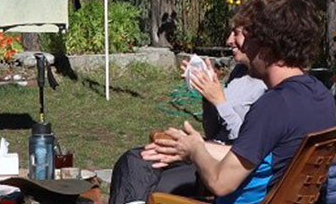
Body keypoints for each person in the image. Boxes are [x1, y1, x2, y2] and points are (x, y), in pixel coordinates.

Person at [146, 0, 336, 204]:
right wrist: (190, 145)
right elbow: (259, 156)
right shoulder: (320, 96)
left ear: (267, 47)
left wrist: (196, 150)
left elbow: (220, 182)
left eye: (247, 38)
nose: (242, 45)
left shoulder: (274, 106)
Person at [108, 57, 266, 204]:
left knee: (150, 184)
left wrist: (220, 102)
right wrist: (207, 97)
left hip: (222, 163)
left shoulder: (268, 87)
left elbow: (248, 144)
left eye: (238, 36)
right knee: (133, 159)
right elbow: (213, 132)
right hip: (205, 148)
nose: (230, 41)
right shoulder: (239, 71)